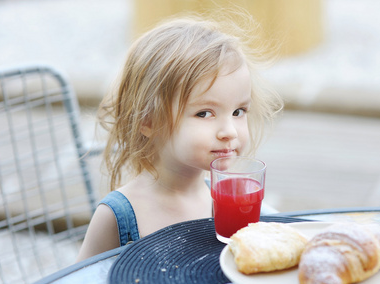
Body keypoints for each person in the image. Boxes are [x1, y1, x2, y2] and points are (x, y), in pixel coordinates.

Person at [76, 13, 282, 262]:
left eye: (239, 111)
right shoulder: (117, 216)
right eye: (204, 113)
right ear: (147, 121)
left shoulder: (228, 202)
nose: (230, 131)